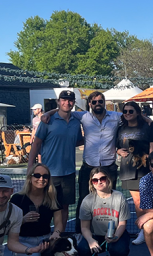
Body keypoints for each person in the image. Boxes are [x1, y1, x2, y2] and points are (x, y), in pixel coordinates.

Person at [42, 90, 121, 234]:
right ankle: (81, 233)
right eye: (94, 102)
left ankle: (110, 232)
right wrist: (48, 113)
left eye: (100, 101)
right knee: (84, 201)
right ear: (90, 104)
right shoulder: (83, 116)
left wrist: (147, 120)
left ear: (104, 103)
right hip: (89, 167)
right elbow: (64, 109)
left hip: (109, 167)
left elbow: (133, 115)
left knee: (110, 201)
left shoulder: (116, 117)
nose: (97, 104)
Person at [28, 90, 83, 233]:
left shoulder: (76, 121)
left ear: (73, 103)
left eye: (70, 100)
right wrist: (30, 168)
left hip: (69, 173)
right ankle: (41, 234)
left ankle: (59, 236)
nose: (67, 102)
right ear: (58, 102)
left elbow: (76, 141)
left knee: (64, 207)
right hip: (48, 173)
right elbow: (36, 144)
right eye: (63, 100)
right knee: (45, 206)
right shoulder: (47, 120)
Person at [9, 163, 63, 256]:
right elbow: (9, 225)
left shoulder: (52, 197)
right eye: (37, 175)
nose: (41, 179)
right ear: (30, 178)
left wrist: (56, 233)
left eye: (45, 176)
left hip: (45, 240)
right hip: (23, 241)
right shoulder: (18, 199)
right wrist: (22, 220)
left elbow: (59, 222)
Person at [78, 167, 131, 256]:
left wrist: (115, 236)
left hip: (116, 233)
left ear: (108, 179)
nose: (99, 182)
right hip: (95, 235)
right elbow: (84, 227)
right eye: (95, 180)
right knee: (83, 248)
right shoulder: (87, 200)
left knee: (120, 250)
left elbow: (122, 224)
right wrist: (90, 240)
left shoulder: (119, 197)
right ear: (91, 183)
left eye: (102, 178)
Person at [116, 100, 152, 222]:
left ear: (137, 113)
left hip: (144, 168)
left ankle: (151, 228)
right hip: (128, 169)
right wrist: (118, 151)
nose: (128, 113)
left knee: (147, 200)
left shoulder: (147, 127)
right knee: (137, 201)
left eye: (131, 111)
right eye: (125, 111)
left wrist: (150, 156)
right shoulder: (120, 129)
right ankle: (142, 227)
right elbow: (115, 146)